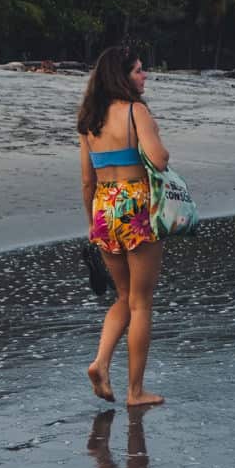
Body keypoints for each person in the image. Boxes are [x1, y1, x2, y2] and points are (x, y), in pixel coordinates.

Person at [78, 46, 169, 407]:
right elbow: (159, 161)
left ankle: (100, 362)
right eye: (138, 71)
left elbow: (86, 181)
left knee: (123, 297)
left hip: (104, 207)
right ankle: (135, 392)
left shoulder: (89, 118)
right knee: (142, 302)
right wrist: (157, 138)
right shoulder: (136, 112)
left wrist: (92, 224)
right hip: (136, 206)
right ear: (122, 76)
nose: (144, 76)